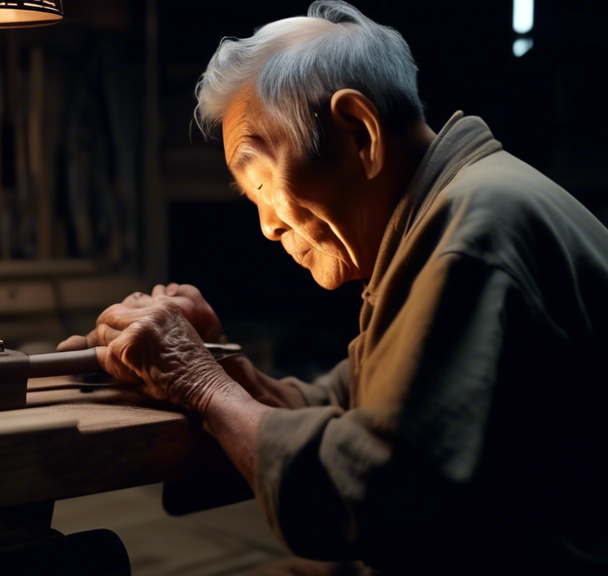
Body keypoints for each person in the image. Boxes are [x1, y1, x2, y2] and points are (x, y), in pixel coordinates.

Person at [59, 1, 608, 574]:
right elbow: (346, 408)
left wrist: (198, 383)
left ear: (360, 133)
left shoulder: (472, 233)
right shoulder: (451, 208)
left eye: (265, 183)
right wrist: (220, 367)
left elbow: (373, 495)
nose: (268, 225)